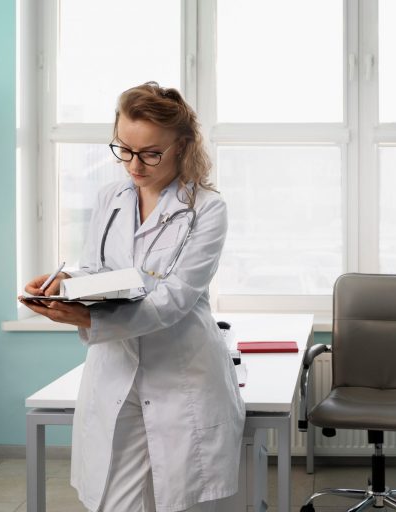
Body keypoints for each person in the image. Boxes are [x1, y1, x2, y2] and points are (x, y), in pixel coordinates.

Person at [20, 82, 245, 512]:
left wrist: (89, 320)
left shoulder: (207, 209)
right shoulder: (111, 197)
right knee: (113, 501)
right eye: (124, 149)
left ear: (182, 146)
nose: (134, 165)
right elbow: (101, 270)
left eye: (150, 153)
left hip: (181, 375)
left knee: (180, 501)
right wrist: (64, 282)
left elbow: (176, 297)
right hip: (116, 370)